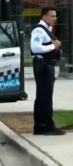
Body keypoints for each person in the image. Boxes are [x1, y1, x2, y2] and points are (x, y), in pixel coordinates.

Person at [30, 7, 64, 135]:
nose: (55, 18)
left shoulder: (47, 30)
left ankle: (41, 125)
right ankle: (46, 126)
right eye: (52, 16)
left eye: (55, 16)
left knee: (44, 96)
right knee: (44, 96)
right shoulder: (39, 30)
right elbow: (35, 48)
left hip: (47, 65)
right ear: (44, 16)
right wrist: (53, 46)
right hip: (43, 66)